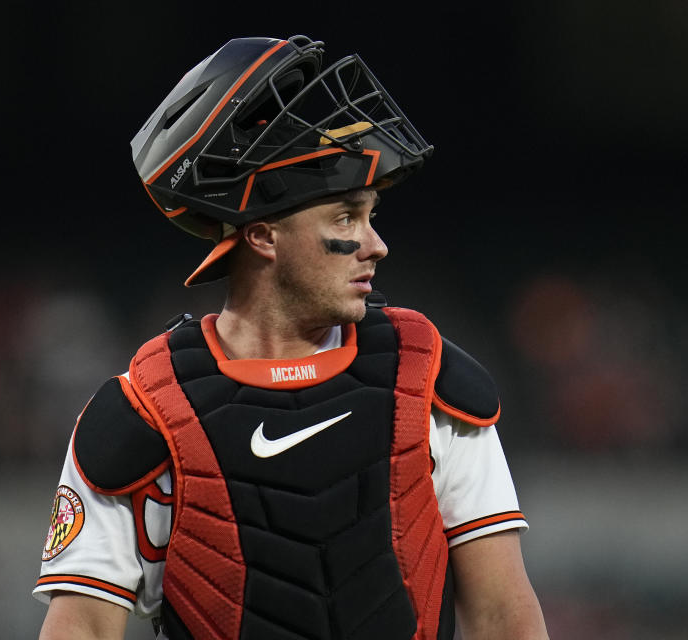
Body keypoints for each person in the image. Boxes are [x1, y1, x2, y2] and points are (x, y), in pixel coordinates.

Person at [34, 35, 548, 640]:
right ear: (263, 236)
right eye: (345, 218)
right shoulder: (144, 415)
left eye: (370, 215)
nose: (376, 245)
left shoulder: (429, 380)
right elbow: (84, 628)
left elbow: (502, 615)